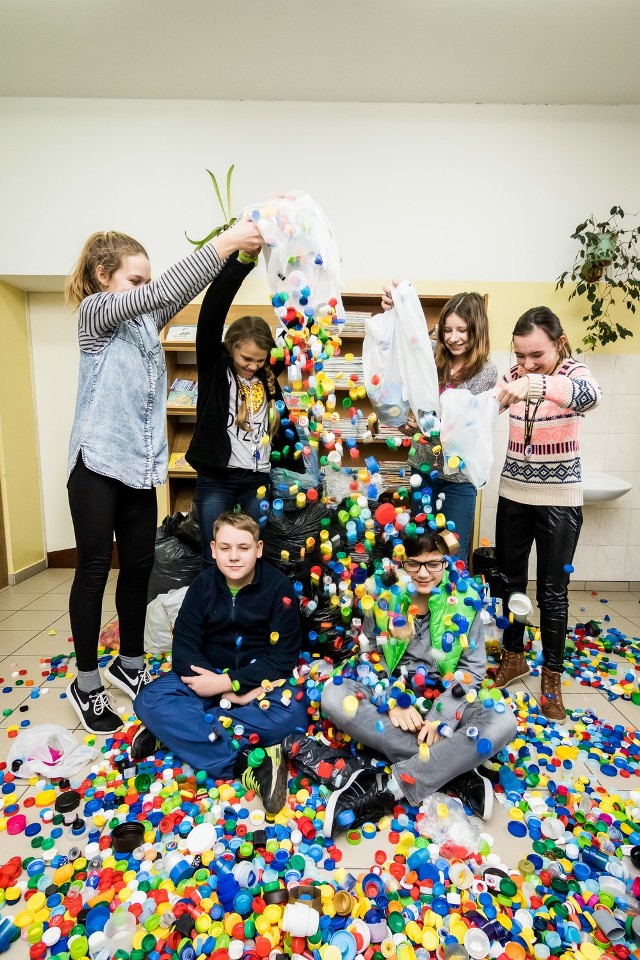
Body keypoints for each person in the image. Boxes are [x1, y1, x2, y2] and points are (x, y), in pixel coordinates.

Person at [64, 219, 262, 735]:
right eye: (136, 281)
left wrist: (240, 257)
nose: (145, 292)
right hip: (96, 462)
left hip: (138, 467)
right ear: (105, 276)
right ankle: (84, 683)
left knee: (138, 568)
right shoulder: (96, 314)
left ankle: (128, 664)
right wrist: (225, 240)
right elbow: (167, 288)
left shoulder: (145, 324)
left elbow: (193, 287)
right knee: (92, 569)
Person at [320, 530, 517, 837]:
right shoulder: (382, 596)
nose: (424, 573)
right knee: (333, 696)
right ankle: (455, 770)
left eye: (434, 564)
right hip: (394, 689)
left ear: (446, 563)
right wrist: (391, 696)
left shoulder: (466, 600)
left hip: (447, 690)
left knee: (503, 720)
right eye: (415, 564)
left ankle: (394, 786)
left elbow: (473, 669)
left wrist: (442, 712)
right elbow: (371, 653)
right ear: (402, 563)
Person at [133, 512, 309, 814]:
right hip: (207, 678)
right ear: (213, 550)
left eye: (243, 547)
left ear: (259, 548)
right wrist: (219, 689)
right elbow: (184, 650)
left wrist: (235, 685)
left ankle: (177, 734)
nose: (234, 557)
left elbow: (283, 658)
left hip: (260, 687)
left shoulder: (279, 588)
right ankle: (245, 764)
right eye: (225, 548)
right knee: (149, 699)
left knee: (292, 716)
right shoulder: (202, 586)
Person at [491, 307, 601, 721]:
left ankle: (551, 678)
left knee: (553, 592)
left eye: (536, 354)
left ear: (559, 343)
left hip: (559, 498)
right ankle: (514, 655)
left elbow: (591, 397)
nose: (526, 364)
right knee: (510, 581)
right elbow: (487, 407)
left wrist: (536, 382)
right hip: (513, 493)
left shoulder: (575, 373)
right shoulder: (513, 375)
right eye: (520, 355)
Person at [185, 257, 305, 565]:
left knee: (254, 554)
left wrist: (295, 271)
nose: (252, 366)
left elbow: (299, 329)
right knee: (216, 554)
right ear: (231, 347)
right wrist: (241, 263)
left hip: (257, 479)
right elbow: (212, 310)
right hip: (217, 478)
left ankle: (248, 609)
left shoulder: (265, 374)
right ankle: (215, 610)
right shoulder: (216, 367)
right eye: (246, 358)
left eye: (259, 360)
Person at [381, 285, 497, 565]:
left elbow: (464, 429)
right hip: (423, 470)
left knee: (453, 550)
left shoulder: (486, 372)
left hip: (459, 477)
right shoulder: (432, 357)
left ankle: (454, 606)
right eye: (447, 330)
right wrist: (396, 311)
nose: (453, 338)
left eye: (462, 330)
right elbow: (405, 349)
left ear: (476, 331)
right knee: (423, 547)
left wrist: (428, 426)